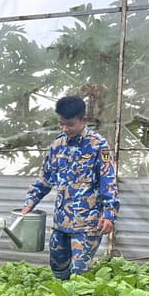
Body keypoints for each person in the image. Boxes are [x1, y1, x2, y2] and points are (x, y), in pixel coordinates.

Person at [21, 95, 119, 280]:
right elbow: (45, 178)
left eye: (70, 124)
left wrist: (109, 214)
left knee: (79, 273)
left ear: (84, 120)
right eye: (61, 124)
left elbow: (109, 180)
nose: (65, 129)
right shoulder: (57, 145)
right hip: (61, 221)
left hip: (88, 222)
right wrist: (30, 203)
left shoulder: (98, 145)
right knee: (57, 268)